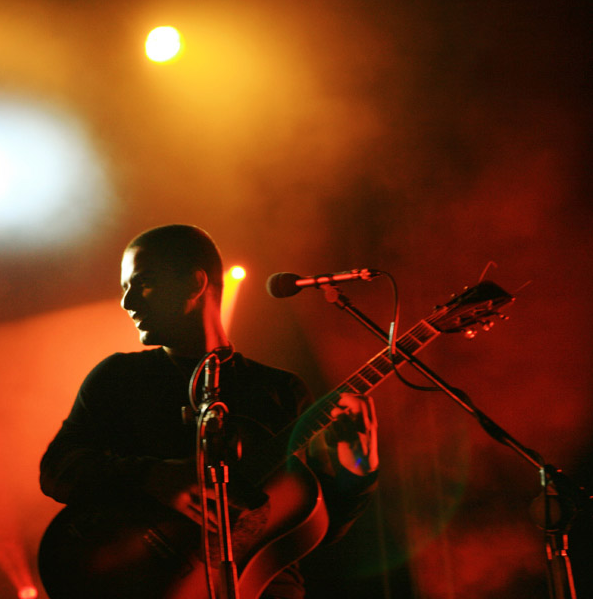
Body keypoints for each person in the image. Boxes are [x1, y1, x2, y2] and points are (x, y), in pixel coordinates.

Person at [39, 224, 378, 598]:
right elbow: (57, 470)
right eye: (125, 288)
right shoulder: (119, 376)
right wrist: (153, 476)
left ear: (195, 283)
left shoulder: (282, 389)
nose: (127, 302)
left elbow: (320, 531)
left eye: (143, 282)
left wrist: (358, 472)